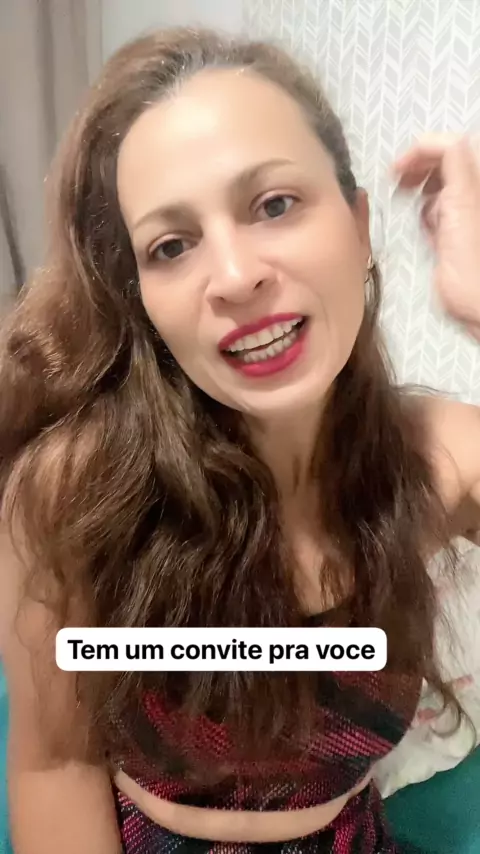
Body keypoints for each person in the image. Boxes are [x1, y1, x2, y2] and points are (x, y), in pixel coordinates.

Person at [1, 26, 480, 854]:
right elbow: (54, 765)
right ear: (141, 298)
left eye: (274, 204)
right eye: (171, 246)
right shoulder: (74, 494)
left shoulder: (440, 460)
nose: (234, 277)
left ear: (359, 223)